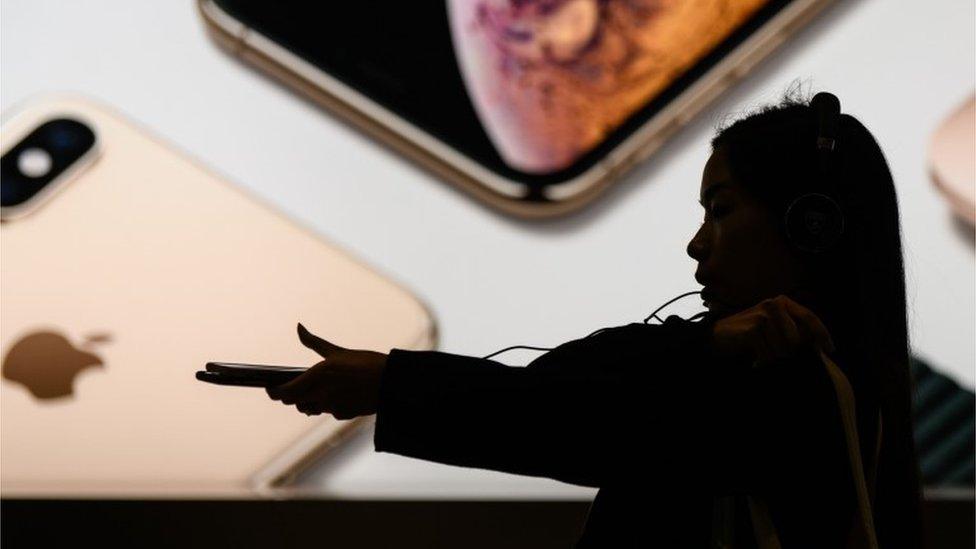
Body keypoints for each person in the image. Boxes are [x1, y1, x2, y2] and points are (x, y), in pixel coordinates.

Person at [266, 87, 925, 548]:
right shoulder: (727, 361)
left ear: (807, 228)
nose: (697, 243)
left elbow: (562, 418)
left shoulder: (800, 383)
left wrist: (390, 384)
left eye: (720, 210)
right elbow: (566, 383)